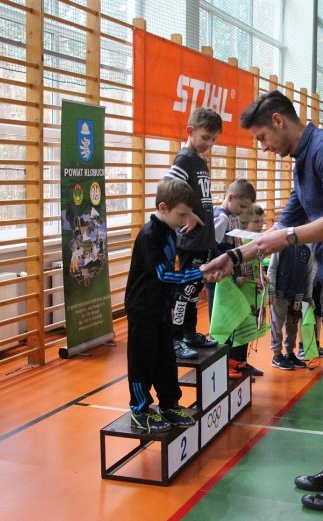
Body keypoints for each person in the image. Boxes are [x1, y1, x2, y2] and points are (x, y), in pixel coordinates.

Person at [202, 90, 323, 512]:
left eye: (263, 137)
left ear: (279, 121)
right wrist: (234, 257)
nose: (263, 147)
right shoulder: (303, 162)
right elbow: (287, 220)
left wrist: (281, 238)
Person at [125, 179, 210, 433]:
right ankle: (139, 409)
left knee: (166, 358)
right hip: (142, 309)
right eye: (181, 214)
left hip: (160, 307)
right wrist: (199, 272)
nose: (186, 220)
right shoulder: (151, 234)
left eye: (188, 214)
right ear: (163, 207)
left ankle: (169, 403)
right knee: (142, 360)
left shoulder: (169, 230)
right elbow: (163, 274)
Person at [165, 107, 222, 360]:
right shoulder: (184, 159)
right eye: (205, 137)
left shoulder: (199, 160)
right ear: (190, 131)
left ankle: (189, 333)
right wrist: (186, 212)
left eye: (213, 140)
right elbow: (168, 187)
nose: (209, 144)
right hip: (190, 239)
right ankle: (176, 338)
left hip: (203, 239)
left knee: (193, 290)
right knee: (184, 291)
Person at [207, 178, 257, 319]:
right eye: (241, 206)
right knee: (219, 315)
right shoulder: (222, 218)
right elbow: (213, 249)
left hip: (226, 274)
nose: (242, 211)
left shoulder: (230, 216)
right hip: (219, 276)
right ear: (230, 197)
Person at [229, 205, 267, 379]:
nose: (260, 225)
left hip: (252, 293)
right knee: (237, 330)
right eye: (256, 221)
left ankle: (243, 361)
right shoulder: (239, 241)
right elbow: (239, 270)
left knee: (248, 329)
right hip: (239, 294)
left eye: (262, 221)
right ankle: (233, 362)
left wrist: (263, 275)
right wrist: (248, 279)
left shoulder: (256, 241)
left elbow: (257, 265)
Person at [268, 242, 315, 371]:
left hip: (298, 294)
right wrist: (271, 289)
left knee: (292, 325)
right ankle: (276, 355)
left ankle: (290, 353)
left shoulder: (308, 247)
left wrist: (308, 296)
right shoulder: (280, 245)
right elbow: (272, 267)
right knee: (276, 324)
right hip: (280, 292)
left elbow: (310, 273)